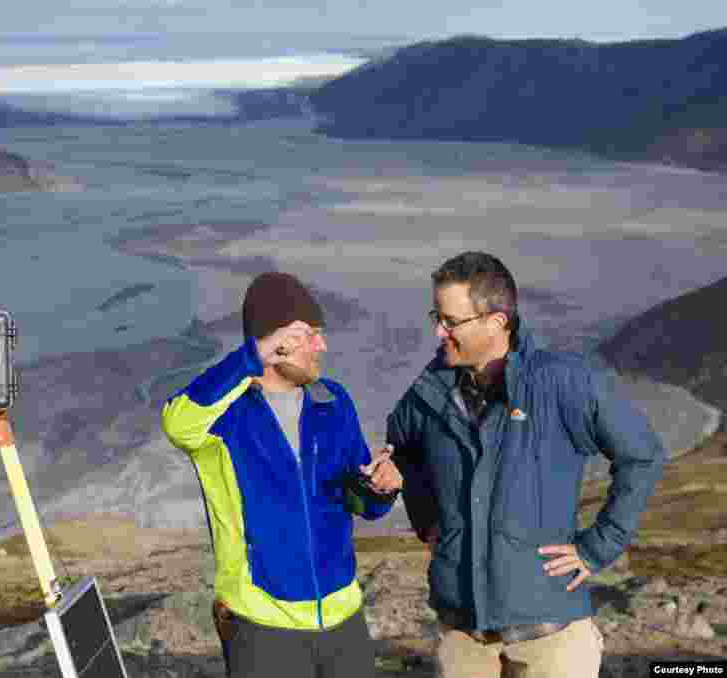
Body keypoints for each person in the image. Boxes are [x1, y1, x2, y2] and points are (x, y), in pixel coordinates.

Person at [363, 251, 666, 678]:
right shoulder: (427, 393)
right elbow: (403, 454)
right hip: (462, 635)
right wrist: (429, 521)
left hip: (553, 633)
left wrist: (598, 546)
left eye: (451, 321)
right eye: (438, 316)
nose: (438, 330)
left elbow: (643, 455)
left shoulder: (564, 381)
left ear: (497, 322)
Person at [161, 271, 400, 678]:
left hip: (344, 619)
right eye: (310, 334)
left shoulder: (333, 400)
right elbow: (177, 423)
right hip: (262, 624)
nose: (322, 345)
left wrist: (382, 488)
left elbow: (362, 503)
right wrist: (253, 356)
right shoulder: (225, 416)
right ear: (278, 340)